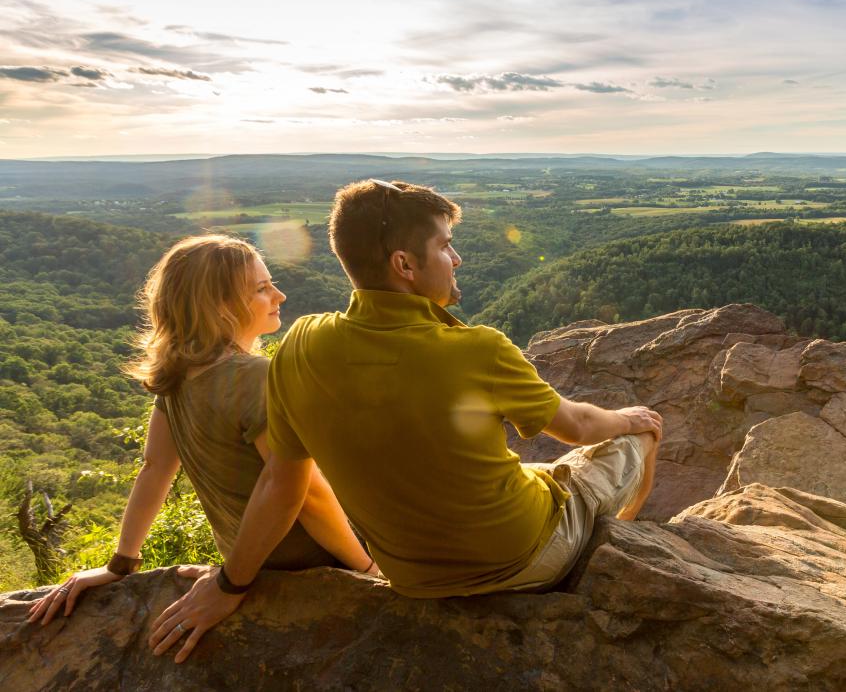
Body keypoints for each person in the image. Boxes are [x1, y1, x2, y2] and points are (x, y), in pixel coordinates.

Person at [149, 180, 661, 661]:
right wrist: (628, 417)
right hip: (525, 556)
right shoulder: (478, 348)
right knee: (640, 435)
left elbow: (282, 484)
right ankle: (611, 556)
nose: (457, 259)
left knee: (543, 474)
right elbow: (577, 427)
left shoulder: (301, 345)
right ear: (404, 264)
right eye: (444, 246)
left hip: (412, 577)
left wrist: (229, 586)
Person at [27, 234, 376, 633]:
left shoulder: (179, 376)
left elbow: (155, 469)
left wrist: (121, 563)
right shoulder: (258, 379)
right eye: (262, 289)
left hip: (254, 563)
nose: (279, 295)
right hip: (316, 560)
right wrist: (365, 567)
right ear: (220, 307)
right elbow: (304, 493)